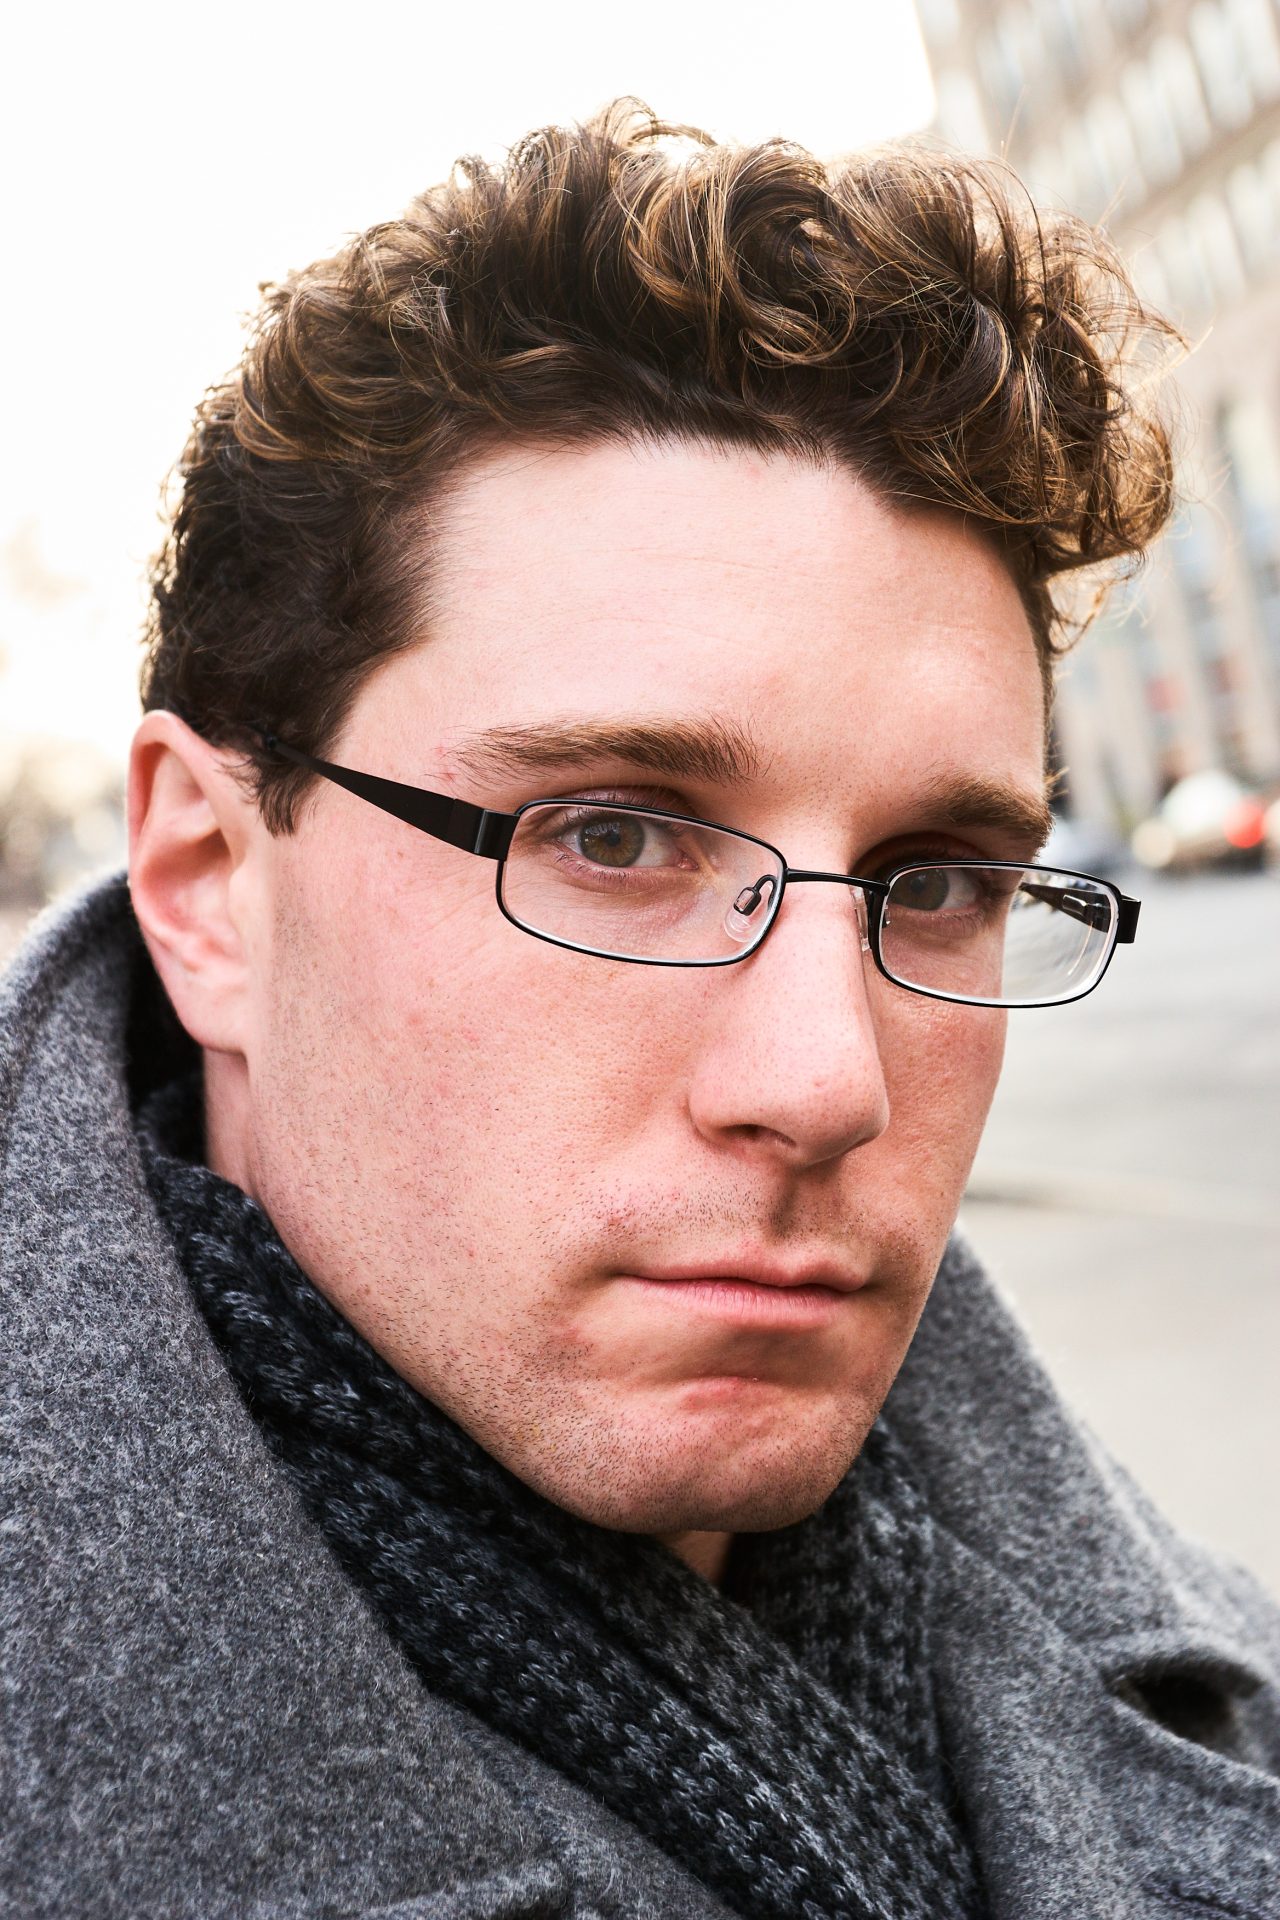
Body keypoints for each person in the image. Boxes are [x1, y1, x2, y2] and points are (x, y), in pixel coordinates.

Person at [3, 102, 1277, 1920]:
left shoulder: (1217, 1684)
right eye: (610, 838)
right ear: (210, 882)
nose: (825, 1080)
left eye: (937, 882)